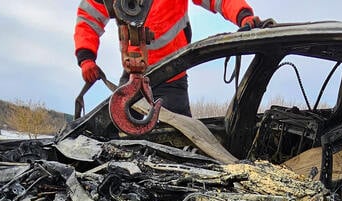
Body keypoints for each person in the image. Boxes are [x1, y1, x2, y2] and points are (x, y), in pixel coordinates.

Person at [75, 0, 269, 117]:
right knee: (116, 139)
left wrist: (243, 15)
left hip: (172, 78)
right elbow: (89, 18)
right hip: (132, 78)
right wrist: (86, 57)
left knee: (178, 139)